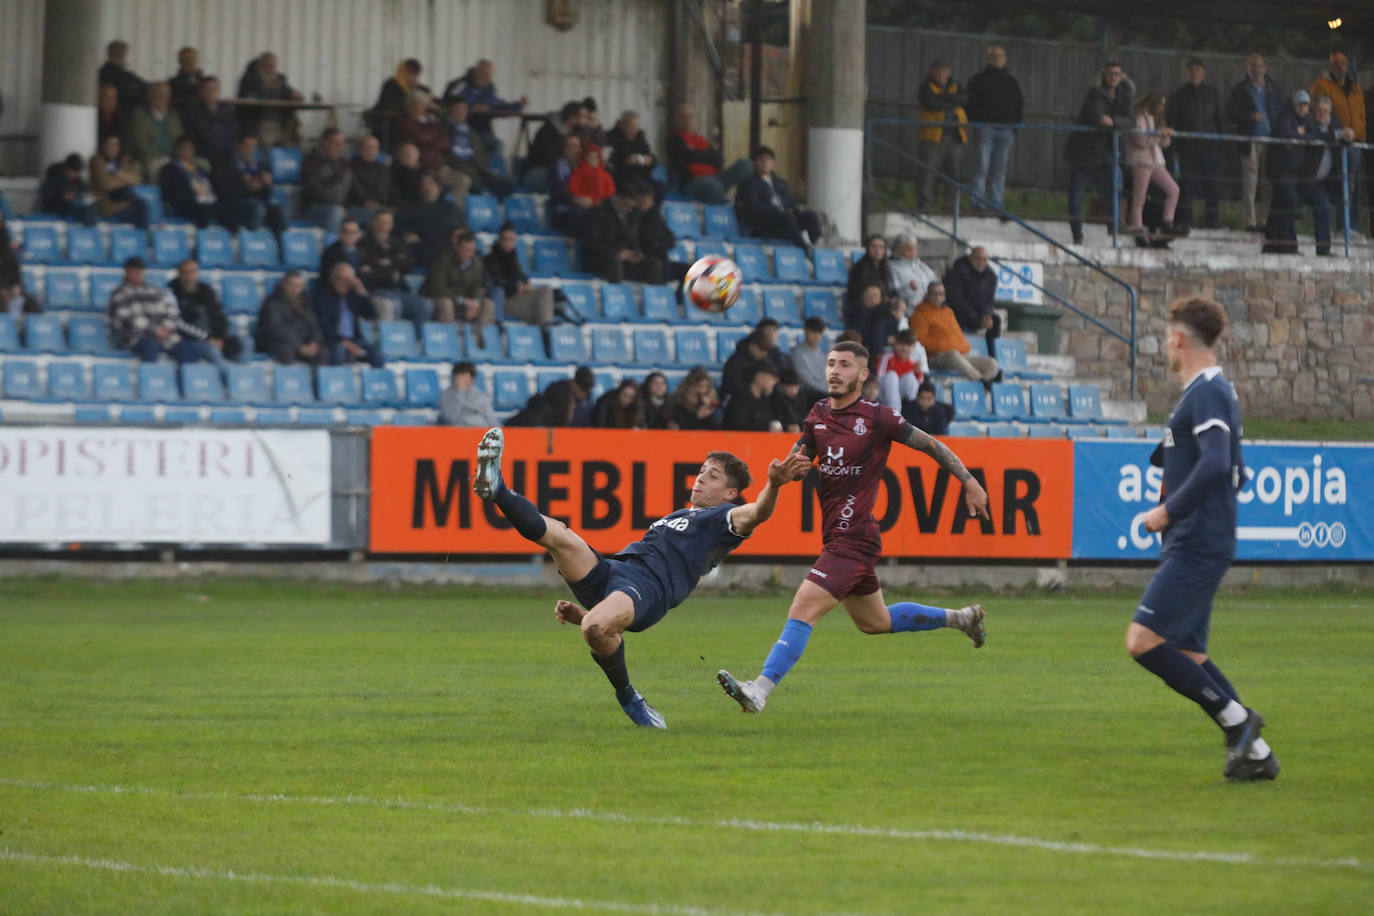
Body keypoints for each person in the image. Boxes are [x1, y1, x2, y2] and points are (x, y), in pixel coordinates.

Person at [716, 340, 990, 714]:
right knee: (874, 621)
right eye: (830, 363)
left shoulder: (878, 417)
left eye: (844, 364)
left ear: (862, 374)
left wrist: (969, 482)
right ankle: (961, 618)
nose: (834, 371)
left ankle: (759, 690)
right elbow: (796, 462)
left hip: (855, 537)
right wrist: (781, 475)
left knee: (803, 606)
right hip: (836, 535)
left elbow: (930, 445)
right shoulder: (816, 415)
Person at [472, 426, 811, 727]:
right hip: (615, 570)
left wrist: (774, 484)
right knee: (558, 535)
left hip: (647, 589)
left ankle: (629, 698)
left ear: (729, 494)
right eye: (702, 471)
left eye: (713, 476)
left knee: (594, 628)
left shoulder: (722, 519)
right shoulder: (682, 515)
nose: (701, 478)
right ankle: (497, 488)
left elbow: (757, 514)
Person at [1129, 296, 1277, 782]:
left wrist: (1167, 511)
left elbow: (1217, 464)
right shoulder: (1205, 394)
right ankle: (1258, 756)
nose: (1164, 343)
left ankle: (1239, 723)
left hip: (1197, 539)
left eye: (1166, 334)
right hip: (1195, 537)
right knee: (1189, 655)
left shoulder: (1208, 392)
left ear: (1178, 338)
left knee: (1143, 641)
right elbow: (1233, 470)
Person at [1065, 62, 1135, 245]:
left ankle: (1114, 225)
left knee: (1116, 182)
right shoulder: (1095, 94)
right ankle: (1077, 233)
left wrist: (1113, 121)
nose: (1114, 77)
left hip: (1107, 147)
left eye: (1117, 74)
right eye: (1111, 73)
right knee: (1077, 192)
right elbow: (1097, 117)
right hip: (1085, 149)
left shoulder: (1123, 95)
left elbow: (1130, 120)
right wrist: (1113, 122)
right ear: (1105, 75)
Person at [107, 257, 221, 365]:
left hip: (165, 336)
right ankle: (150, 380)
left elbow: (171, 312)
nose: (138, 273)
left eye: (140, 270)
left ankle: (185, 382)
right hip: (137, 337)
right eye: (134, 270)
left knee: (188, 350)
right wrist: (154, 330)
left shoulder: (152, 289)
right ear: (127, 271)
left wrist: (166, 327)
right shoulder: (120, 293)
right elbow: (127, 320)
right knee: (150, 345)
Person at [1227, 55, 1283, 232]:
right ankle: (1250, 221)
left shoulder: (1273, 88)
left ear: (1266, 68)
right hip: (1250, 139)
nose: (1257, 69)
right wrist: (1250, 117)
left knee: (1268, 182)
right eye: (1253, 66)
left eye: (1260, 66)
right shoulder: (1241, 89)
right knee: (1250, 182)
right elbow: (1231, 113)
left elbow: (1279, 113)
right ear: (1248, 68)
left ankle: (1263, 220)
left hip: (1270, 140)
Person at [1168, 58, 1225, 231]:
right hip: (1186, 147)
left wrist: (1219, 142)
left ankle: (1212, 219)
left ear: (1204, 72)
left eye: (1198, 70)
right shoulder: (1179, 95)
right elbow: (1172, 121)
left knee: (1212, 184)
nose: (1195, 73)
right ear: (1187, 72)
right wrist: (1174, 148)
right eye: (1192, 70)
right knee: (1185, 184)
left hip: (1209, 147)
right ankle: (1185, 219)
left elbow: (1221, 119)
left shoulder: (1213, 94)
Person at [963, 45, 1022, 211]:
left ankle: (996, 203)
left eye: (1001, 56)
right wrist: (975, 121)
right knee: (981, 165)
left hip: (1005, 130)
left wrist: (1014, 127)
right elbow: (969, 103)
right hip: (985, 127)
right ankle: (977, 202)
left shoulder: (1012, 82)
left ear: (1005, 59)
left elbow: (1019, 105)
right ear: (989, 58)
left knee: (999, 169)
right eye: (994, 56)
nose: (998, 59)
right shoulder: (978, 80)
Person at [1311, 52, 1365, 229]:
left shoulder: (1355, 88)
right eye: (1338, 64)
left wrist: (1358, 135)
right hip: (1337, 143)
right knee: (1343, 186)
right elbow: (1317, 101)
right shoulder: (1325, 84)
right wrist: (1322, 80)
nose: (1342, 67)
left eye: (1344, 63)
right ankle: (1343, 227)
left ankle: (1353, 226)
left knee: (1354, 188)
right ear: (1332, 66)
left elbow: (1361, 116)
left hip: (1355, 143)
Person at [358, 209, 435, 331]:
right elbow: (368, 274)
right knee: (394, 305)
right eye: (381, 222)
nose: (384, 226)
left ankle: (416, 343)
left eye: (387, 222)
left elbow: (409, 264)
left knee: (425, 304)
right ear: (373, 223)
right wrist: (394, 264)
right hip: (376, 290)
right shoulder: (363, 244)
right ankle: (394, 342)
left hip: (398, 289)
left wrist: (386, 264)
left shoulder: (396, 243)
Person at [735, 146, 822, 250]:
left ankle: (819, 244)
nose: (765, 162)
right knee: (787, 217)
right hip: (765, 224)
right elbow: (753, 207)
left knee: (810, 215)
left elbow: (792, 203)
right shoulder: (750, 183)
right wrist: (776, 210)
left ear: (772, 163)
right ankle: (804, 248)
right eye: (761, 159)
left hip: (786, 222)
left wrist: (794, 211)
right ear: (755, 162)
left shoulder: (780, 183)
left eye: (768, 159)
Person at [912, 281, 999, 382]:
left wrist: (961, 347)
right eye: (934, 293)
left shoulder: (948, 312)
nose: (937, 297)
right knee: (953, 355)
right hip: (935, 357)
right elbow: (919, 342)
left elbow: (957, 335)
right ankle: (981, 381)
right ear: (927, 295)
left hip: (959, 355)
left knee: (992, 364)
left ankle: (981, 383)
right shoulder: (920, 314)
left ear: (944, 296)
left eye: (941, 294)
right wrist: (945, 345)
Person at [1264, 91, 1316, 255]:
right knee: (1291, 203)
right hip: (1280, 171)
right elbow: (1283, 134)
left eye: (1305, 105)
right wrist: (1299, 134)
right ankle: (1289, 246)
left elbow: (1313, 135)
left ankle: (1271, 243)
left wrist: (1298, 137)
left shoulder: (1307, 120)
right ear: (1293, 105)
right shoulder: (1285, 116)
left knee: (1280, 204)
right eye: (1299, 104)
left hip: (1294, 173)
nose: (1302, 108)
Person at [666, 104, 752, 203]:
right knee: (714, 186)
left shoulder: (700, 139)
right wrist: (704, 155)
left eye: (691, 116)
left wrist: (695, 152)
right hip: (693, 182)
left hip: (716, 177)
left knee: (745, 164)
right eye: (684, 116)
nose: (688, 119)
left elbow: (719, 159)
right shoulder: (674, 139)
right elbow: (688, 156)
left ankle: (743, 204)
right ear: (677, 119)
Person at [441, 58, 527, 153]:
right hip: (460, 130)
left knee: (497, 145)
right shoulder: (460, 85)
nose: (487, 78)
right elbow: (448, 104)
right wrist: (471, 109)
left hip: (483, 131)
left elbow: (498, 104)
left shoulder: (489, 89)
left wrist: (518, 105)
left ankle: (492, 168)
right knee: (492, 145)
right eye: (484, 75)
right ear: (475, 72)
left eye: (489, 75)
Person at [1125, 91, 1180, 235]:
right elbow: (1141, 141)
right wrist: (1158, 134)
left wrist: (1166, 135)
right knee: (1140, 195)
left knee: (1173, 190)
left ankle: (1167, 221)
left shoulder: (1156, 120)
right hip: (1141, 160)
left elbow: (1163, 144)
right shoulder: (1138, 119)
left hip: (1156, 160)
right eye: (1160, 105)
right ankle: (1137, 224)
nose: (1161, 108)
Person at [581, 185, 661, 283]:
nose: (630, 208)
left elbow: (634, 240)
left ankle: (653, 295)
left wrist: (636, 253)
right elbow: (592, 242)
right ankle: (617, 295)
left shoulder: (633, 214)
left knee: (654, 264)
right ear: (617, 198)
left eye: (633, 206)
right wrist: (617, 253)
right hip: (602, 259)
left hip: (625, 261)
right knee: (615, 261)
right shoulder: (598, 211)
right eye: (627, 204)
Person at [1305, 94, 1353, 257]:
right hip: (1305, 178)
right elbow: (1317, 137)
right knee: (1287, 205)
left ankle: (1323, 250)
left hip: (1323, 182)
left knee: (1324, 208)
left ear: (1330, 113)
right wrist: (1339, 134)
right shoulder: (1308, 123)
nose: (1322, 114)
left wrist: (1348, 136)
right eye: (1319, 110)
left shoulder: (1335, 124)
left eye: (1326, 111)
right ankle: (1285, 247)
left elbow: (1343, 140)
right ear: (1314, 111)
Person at [916, 61, 968, 211]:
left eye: (944, 70)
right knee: (927, 172)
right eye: (938, 70)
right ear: (932, 71)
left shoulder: (957, 86)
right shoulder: (925, 87)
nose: (941, 74)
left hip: (956, 135)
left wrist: (943, 97)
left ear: (949, 72)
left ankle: (951, 207)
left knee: (954, 173)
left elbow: (964, 99)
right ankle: (924, 206)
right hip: (932, 136)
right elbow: (932, 104)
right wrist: (952, 100)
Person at [420, 228, 496, 327]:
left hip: (462, 303)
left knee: (488, 304)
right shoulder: (443, 259)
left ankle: (478, 338)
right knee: (446, 303)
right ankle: (449, 337)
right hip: (438, 300)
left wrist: (475, 303)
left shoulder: (477, 263)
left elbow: (477, 288)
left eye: (471, 251)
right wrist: (463, 301)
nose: (468, 254)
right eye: (464, 249)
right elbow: (438, 289)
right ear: (457, 247)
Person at [169, 258, 241, 362]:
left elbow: (219, 315)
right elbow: (179, 325)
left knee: (245, 342)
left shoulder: (207, 291)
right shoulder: (172, 293)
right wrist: (209, 339)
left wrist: (221, 338)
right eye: (186, 272)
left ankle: (241, 376)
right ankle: (229, 376)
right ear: (179, 274)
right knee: (213, 350)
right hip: (190, 340)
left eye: (193, 272)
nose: (190, 276)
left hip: (214, 337)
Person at [484, 223, 556, 326]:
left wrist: (526, 285)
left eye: (511, 240)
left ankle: (546, 327)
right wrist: (516, 288)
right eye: (506, 239)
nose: (509, 243)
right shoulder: (490, 260)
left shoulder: (514, 259)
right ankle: (545, 331)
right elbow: (495, 285)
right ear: (499, 239)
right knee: (539, 307)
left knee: (546, 290)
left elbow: (523, 277)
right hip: (503, 301)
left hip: (518, 298)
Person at [315, 261, 383, 367]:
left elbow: (372, 314)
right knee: (339, 351)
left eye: (350, 280)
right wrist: (346, 343)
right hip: (333, 340)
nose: (346, 283)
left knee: (377, 355)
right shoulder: (323, 297)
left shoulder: (354, 296)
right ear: (333, 279)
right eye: (342, 279)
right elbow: (325, 326)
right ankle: (339, 381)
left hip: (354, 339)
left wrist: (363, 293)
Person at [443, 97, 515, 198]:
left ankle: (496, 211)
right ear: (450, 110)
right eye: (458, 109)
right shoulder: (442, 130)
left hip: (479, 171)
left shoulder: (471, 131)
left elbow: (481, 154)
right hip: (459, 170)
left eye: (464, 109)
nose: (461, 112)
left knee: (508, 185)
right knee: (479, 191)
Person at [395, 172, 465, 268]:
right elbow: (396, 224)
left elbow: (462, 229)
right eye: (423, 185)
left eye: (430, 184)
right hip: (421, 250)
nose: (427, 188)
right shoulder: (411, 208)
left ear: (439, 187)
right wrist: (405, 233)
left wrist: (458, 234)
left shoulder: (451, 208)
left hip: (447, 249)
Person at [218, 135, 286, 234]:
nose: (250, 150)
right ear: (238, 147)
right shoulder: (229, 167)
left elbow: (265, 195)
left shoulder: (260, 167)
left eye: (253, 146)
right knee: (258, 208)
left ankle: (279, 245)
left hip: (256, 203)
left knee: (279, 210)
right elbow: (226, 194)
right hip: (236, 205)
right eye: (247, 146)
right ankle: (251, 242)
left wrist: (266, 185)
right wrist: (246, 186)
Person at [255, 271, 324, 365]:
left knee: (323, 352)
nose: (296, 289)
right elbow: (276, 329)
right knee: (286, 352)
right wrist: (299, 346)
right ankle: (289, 378)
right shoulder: (272, 302)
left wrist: (314, 342)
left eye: (300, 286)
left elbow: (314, 325)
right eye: (293, 285)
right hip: (278, 342)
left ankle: (316, 378)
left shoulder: (305, 303)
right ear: (284, 285)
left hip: (301, 342)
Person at [236, 52, 302, 146]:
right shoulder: (250, 79)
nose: (270, 69)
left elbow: (291, 93)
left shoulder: (280, 79)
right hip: (259, 121)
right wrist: (265, 88)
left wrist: (297, 96)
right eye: (267, 66)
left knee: (296, 140)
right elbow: (248, 98)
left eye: (273, 66)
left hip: (280, 121)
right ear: (260, 66)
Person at [159, 135, 224, 228]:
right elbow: (167, 192)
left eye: (190, 150)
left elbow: (209, 187)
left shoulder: (199, 169)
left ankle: (235, 238)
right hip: (184, 202)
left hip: (205, 200)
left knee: (228, 208)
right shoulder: (169, 169)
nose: (187, 153)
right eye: (184, 149)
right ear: (177, 150)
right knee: (202, 210)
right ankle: (204, 237)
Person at [943, 246, 1000, 350]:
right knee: (954, 316)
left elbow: (990, 300)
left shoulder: (991, 276)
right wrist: (977, 318)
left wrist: (986, 315)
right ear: (971, 258)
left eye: (984, 260)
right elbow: (956, 300)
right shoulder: (958, 272)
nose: (981, 263)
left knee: (995, 320)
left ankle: (992, 354)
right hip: (963, 313)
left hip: (980, 315)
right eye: (978, 259)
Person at [123, 81, 182, 180]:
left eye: (165, 94)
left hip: (174, 156)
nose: (161, 97)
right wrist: (164, 158)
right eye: (158, 93)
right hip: (151, 158)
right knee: (159, 169)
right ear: (149, 96)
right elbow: (141, 143)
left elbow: (180, 138)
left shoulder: (173, 116)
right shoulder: (140, 115)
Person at [522, 100, 586, 191]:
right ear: (572, 118)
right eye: (583, 117)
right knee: (564, 175)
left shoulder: (575, 132)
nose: (585, 121)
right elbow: (550, 159)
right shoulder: (549, 132)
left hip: (559, 170)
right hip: (538, 172)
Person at [183, 76, 238, 177]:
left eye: (214, 90)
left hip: (225, 152)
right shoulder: (194, 111)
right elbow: (203, 134)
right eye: (208, 90)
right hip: (204, 152)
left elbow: (232, 132)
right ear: (201, 92)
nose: (211, 93)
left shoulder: (226, 110)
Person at [90, 135, 150, 227]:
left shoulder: (118, 161)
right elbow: (106, 183)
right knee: (140, 210)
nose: (115, 149)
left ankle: (144, 237)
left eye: (117, 145)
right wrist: (125, 180)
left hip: (124, 204)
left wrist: (118, 174)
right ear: (103, 146)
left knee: (142, 203)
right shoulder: (97, 161)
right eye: (111, 145)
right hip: (109, 207)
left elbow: (136, 179)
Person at [301, 128, 353, 233]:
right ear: (324, 142)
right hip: (315, 207)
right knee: (336, 212)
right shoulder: (311, 162)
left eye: (342, 143)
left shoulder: (344, 163)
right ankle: (331, 246)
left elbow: (351, 189)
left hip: (341, 206)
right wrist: (336, 203)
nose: (339, 147)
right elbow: (313, 190)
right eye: (335, 143)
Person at [605, 110, 662, 199]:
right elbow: (610, 162)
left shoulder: (640, 138)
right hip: (622, 178)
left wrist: (650, 160)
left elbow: (652, 158)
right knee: (637, 190)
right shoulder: (611, 138)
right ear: (622, 126)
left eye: (637, 126)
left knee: (660, 187)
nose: (636, 129)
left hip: (641, 175)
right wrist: (626, 161)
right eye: (632, 127)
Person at [347, 133, 397, 226]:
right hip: (359, 207)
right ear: (359, 149)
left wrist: (398, 205)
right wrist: (367, 201)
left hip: (383, 207)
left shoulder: (383, 168)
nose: (371, 150)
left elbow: (392, 190)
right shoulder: (350, 167)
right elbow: (355, 188)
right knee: (382, 218)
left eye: (374, 148)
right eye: (367, 147)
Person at [845, 234, 900, 316]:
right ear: (867, 249)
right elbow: (860, 293)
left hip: (884, 306)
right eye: (873, 247)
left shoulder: (886, 268)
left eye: (881, 247)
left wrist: (894, 299)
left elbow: (892, 290)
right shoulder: (859, 268)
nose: (877, 250)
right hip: (864, 309)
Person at [548, 133, 592, 234]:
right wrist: (575, 199)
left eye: (574, 146)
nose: (570, 149)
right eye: (567, 146)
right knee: (579, 213)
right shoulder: (556, 166)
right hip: (563, 207)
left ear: (580, 149)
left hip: (585, 204)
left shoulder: (586, 165)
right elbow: (557, 191)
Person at [875, 328, 928, 411]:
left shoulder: (914, 361)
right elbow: (879, 379)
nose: (904, 348)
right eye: (901, 344)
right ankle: (895, 413)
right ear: (896, 344)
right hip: (882, 395)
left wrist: (917, 372)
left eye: (908, 345)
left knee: (909, 377)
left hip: (899, 396)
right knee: (892, 376)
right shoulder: (888, 357)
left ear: (913, 346)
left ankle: (914, 412)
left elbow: (920, 386)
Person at [846, 284, 902, 360]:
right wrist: (885, 339)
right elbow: (861, 335)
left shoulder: (884, 314)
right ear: (863, 297)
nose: (873, 299)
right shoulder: (858, 314)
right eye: (870, 296)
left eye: (876, 296)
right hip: (868, 351)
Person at [1, 212, 41, 317]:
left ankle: (24, 328)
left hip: (11, 289)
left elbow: (14, 273)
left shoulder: (9, 252)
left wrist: (15, 288)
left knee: (33, 305)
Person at [39, 154, 97, 225]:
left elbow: (84, 192)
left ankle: (91, 224)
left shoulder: (78, 181)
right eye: (74, 171)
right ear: (67, 169)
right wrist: (63, 198)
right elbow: (46, 197)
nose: (75, 175)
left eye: (77, 172)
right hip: (57, 210)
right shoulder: (53, 179)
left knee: (90, 208)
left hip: (73, 209)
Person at [723, 362, 782, 431]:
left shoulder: (764, 399)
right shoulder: (740, 397)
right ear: (760, 377)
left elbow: (767, 420)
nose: (774, 383)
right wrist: (766, 429)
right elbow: (738, 426)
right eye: (772, 379)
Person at [887, 235, 939, 313]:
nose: (913, 252)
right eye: (909, 249)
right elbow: (895, 293)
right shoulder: (892, 267)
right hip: (910, 311)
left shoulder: (919, 264)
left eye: (915, 248)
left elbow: (935, 280)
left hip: (929, 307)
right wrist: (910, 288)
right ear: (899, 250)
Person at [439, 361, 499, 427]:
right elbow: (450, 419)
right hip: (458, 432)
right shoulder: (446, 395)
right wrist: (460, 393)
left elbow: (491, 419)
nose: (461, 380)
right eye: (458, 376)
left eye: (465, 376)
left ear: (472, 379)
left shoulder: (480, 395)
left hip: (480, 431)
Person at [720, 331, 774, 403]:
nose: (764, 353)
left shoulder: (763, 360)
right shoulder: (735, 361)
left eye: (767, 351)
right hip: (736, 400)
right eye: (762, 349)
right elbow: (732, 387)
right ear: (752, 345)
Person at [98, 40, 145, 117]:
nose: (120, 57)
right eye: (117, 54)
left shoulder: (127, 75)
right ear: (109, 55)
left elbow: (144, 86)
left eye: (122, 54)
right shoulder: (103, 74)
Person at [770, 367, 818, 434]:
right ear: (781, 385)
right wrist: (787, 427)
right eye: (790, 386)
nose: (793, 389)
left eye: (796, 386)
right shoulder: (775, 399)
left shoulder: (801, 397)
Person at [790, 316, 829, 394]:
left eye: (820, 332)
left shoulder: (822, 354)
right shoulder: (798, 353)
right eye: (814, 331)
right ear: (805, 331)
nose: (817, 336)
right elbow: (806, 381)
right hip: (810, 395)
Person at [168, 47, 206, 121]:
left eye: (193, 60)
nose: (191, 63)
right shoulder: (172, 83)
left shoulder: (205, 83)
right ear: (180, 62)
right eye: (187, 60)